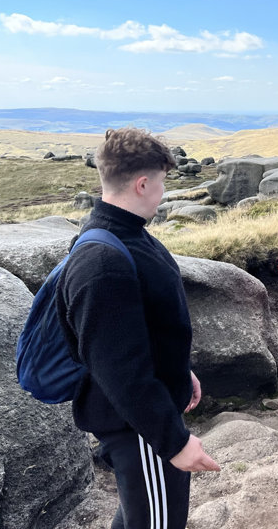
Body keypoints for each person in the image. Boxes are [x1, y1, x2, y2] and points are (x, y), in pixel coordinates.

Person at [62, 127, 219, 529]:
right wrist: (174, 444)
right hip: (140, 430)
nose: (163, 192)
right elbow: (118, 369)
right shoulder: (101, 261)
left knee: (141, 518)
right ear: (142, 183)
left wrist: (180, 369)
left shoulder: (126, 234)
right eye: (162, 183)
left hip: (147, 419)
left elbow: (138, 330)